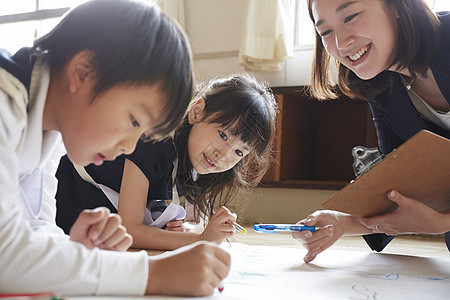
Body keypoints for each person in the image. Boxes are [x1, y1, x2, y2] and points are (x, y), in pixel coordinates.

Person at [0, 0, 231, 296]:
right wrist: (152, 273)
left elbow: (32, 229)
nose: (128, 147)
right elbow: (6, 256)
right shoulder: (6, 103)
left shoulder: (53, 127)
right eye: (134, 120)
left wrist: (73, 251)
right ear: (83, 72)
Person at [293, 0, 450, 263]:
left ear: (398, 7)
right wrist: (340, 222)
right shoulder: (384, 87)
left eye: (351, 16)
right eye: (326, 32)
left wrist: (441, 222)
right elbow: (397, 185)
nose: (341, 44)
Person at [55, 73, 278, 251]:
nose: (224, 155)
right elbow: (129, 230)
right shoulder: (154, 142)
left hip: (99, 230)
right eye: (223, 135)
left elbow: (191, 220)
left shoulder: (202, 164)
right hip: (68, 202)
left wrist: (186, 230)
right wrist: (201, 240)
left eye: (239, 151)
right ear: (197, 112)